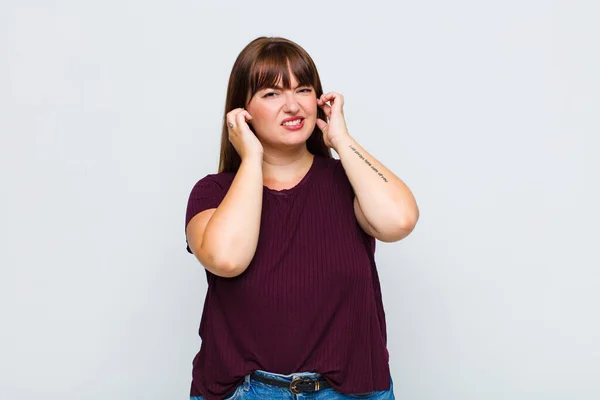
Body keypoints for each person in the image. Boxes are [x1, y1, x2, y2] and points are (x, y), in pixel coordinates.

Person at [184, 36, 419, 400]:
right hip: (247, 393)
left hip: (352, 392)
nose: (292, 106)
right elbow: (227, 259)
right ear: (241, 113)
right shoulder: (213, 192)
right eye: (271, 94)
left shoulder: (349, 181)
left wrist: (341, 139)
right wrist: (249, 158)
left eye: (303, 89)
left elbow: (400, 220)